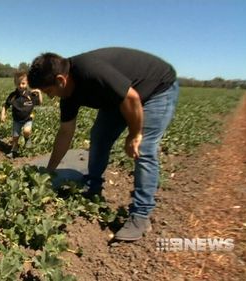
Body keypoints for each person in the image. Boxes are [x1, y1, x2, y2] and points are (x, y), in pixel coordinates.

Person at [27, 47, 179, 241]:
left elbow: (131, 97)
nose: (50, 96)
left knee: (143, 148)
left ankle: (141, 216)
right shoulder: (68, 95)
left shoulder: (90, 71)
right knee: (99, 137)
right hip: (119, 97)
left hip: (156, 89)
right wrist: (48, 173)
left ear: (60, 80)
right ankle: (93, 187)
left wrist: (134, 134)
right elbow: (65, 133)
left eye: (49, 91)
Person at [0, 71, 42, 158]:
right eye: (18, 83)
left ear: (27, 83)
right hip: (17, 120)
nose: (21, 86)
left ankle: (27, 139)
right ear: (15, 83)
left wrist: (39, 93)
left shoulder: (30, 95)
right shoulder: (13, 96)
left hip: (27, 119)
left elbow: (40, 103)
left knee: (26, 131)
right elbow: (5, 105)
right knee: (15, 137)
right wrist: (3, 114)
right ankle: (14, 151)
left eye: (23, 83)